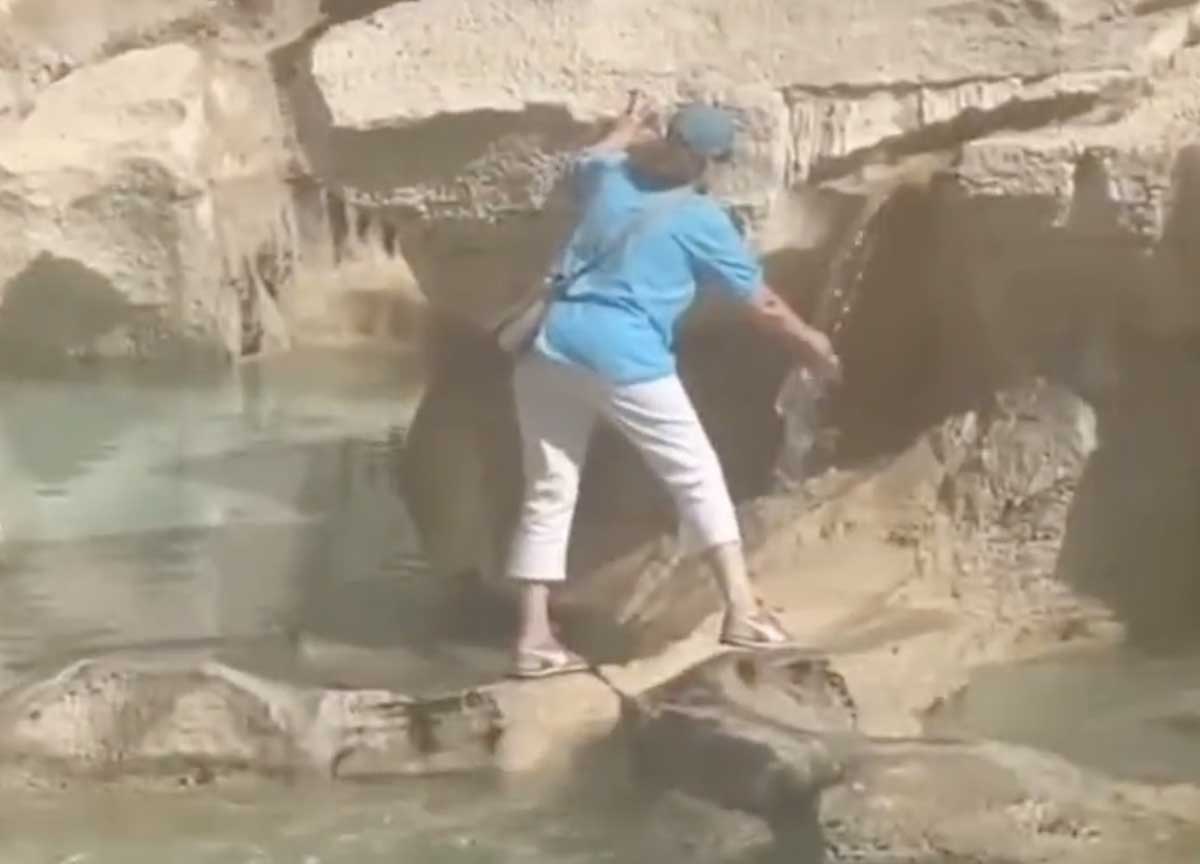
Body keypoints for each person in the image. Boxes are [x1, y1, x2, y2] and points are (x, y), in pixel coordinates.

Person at [506, 93, 841, 678]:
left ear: (664, 138)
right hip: (625, 357)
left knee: (549, 490)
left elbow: (583, 161)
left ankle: (534, 638)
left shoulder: (610, 176)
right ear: (710, 161)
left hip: (548, 347)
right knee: (696, 475)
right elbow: (759, 302)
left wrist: (622, 128)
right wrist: (811, 341)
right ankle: (742, 611)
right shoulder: (700, 219)